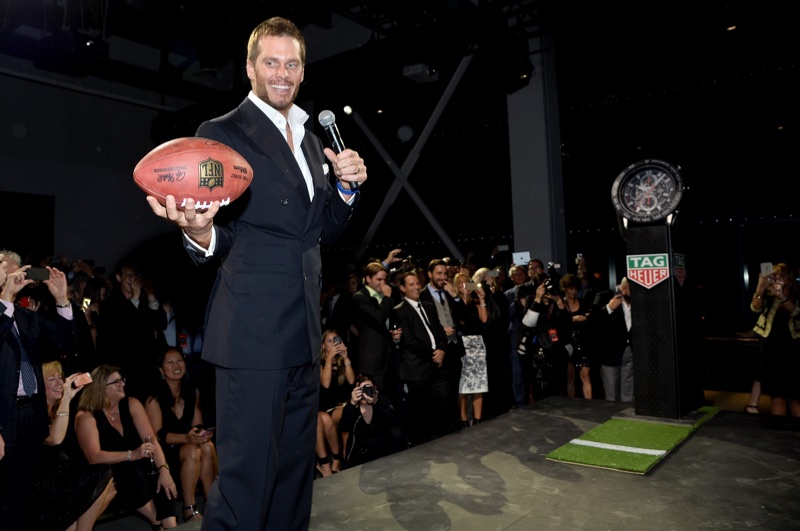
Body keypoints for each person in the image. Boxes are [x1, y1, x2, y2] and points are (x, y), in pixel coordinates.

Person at [144, 16, 366, 530]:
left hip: (303, 336)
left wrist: (347, 190)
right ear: (250, 68)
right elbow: (223, 234)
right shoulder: (220, 135)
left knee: (293, 478)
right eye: (271, 62)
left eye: (292, 63)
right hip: (253, 335)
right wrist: (199, 233)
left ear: (303, 71)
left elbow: (317, 232)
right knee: (247, 483)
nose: (282, 73)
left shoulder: (312, 140)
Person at [1, 257, 77, 529]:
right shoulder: (7, 311)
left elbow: (63, 344)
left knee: (24, 496)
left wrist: (61, 300)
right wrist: (6, 301)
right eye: (9, 272)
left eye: (20, 272)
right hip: (2, 418)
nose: (17, 278)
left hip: (30, 414)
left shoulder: (25, 316)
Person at [75, 364, 179, 529]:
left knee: (158, 474)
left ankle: (170, 525)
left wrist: (164, 470)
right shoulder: (86, 416)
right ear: (101, 387)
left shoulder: (131, 403)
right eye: (116, 382)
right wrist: (131, 454)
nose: (122, 384)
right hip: (108, 472)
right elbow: (94, 457)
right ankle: (160, 523)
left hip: (140, 464)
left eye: (122, 380)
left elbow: (151, 438)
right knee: (129, 472)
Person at [30, 361, 116, 531]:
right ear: (40, 385)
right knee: (101, 475)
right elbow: (54, 439)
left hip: (60, 480)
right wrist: (67, 398)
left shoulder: (57, 410)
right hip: (42, 489)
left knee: (111, 484)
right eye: (51, 379)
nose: (59, 383)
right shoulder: (33, 411)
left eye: (60, 378)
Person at [145, 348, 218, 522]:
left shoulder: (193, 392)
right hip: (164, 454)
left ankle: (211, 502)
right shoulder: (153, 399)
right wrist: (187, 438)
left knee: (207, 446)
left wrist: (202, 435)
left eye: (179, 360)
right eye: (169, 362)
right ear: (161, 370)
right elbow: (158, 435)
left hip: (191, 447)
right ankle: (189, 507)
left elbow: (197, 425)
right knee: (193, 450)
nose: (176, 365)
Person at [390, 271, 449, 446]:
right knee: (419, 411)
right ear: (402, 288)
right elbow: (409, 340)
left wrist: (442, 350)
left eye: (417, 283)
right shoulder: (399, 311)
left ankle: (443, 441)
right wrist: (433, 354)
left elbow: (440, 331)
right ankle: (420, 446)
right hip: (416, 368)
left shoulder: (429, 306)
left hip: (436, 365)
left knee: (440, 406)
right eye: (411, 284)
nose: (416, 287)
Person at [750, 263, 799, 416]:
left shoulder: (796, 294)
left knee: (796, 396)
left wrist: (782, 297)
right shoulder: (768, 294)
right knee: (776, 396)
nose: (777, 278)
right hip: (771, 346)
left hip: (793, 346)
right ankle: (780, 434)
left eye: (781, 275)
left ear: (789, 279)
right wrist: (760, 287)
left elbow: (797, 312)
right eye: (775, 275)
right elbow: (755, 308)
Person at [339, 374, 404, 469]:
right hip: (359, 459)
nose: (366, 393)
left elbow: (394, 423)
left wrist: (376, 402)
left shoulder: (382, 402)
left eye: (369, 388)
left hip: (383, 457)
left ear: (375, 388)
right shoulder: (353, 408)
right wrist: (352, 403)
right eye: (362, 390)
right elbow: (343, 427)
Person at [453, 272, 491, 426]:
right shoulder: (454, 303)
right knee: (463, 384)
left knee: (479, 383)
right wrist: (461, 298)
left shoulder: (475, 302)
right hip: (463, 344)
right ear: (456, 286)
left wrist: (481, 299)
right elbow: (459, 320)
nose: (464, 285)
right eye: (460, 282)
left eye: (466, 282)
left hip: (478, 344)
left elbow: (484, 320)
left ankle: (477, 419)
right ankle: (463, 419)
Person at [350, 262, 395, 390]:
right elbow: (378, 319)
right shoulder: (360, 298)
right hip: (372, 360)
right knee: (374, 398)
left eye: (385, 279)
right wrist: (386, 298)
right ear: (368, 279)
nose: (383, 283)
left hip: (389, 356)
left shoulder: (386, 296)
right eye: (379, 279)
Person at [317, 330, 355, 476]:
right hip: (328, 408)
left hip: (345, 405)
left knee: (347, 410)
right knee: (326, 418)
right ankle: (335, 460)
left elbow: (352, 381)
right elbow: (325, 385)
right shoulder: (320, 364)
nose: (333, 343)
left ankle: (337, 461)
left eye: (336, 340)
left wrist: (345, 358)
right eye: (329, 341)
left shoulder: (342, 362)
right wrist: (328, 359)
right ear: (323, 346)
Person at [592, 278, 633, 403]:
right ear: (623, 288)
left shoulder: (639, 300)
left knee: (629, 390)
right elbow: (593, 320)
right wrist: (608, 308)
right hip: (610, 352)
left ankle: (627, 414)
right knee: (611, 392)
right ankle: (611, 415)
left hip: (631, 350)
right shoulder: (604, 296)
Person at [561, 273, 593, 399]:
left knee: (585, 375)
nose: (573, 291)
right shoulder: (561, 305)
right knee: (571, 376)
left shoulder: (584, 303)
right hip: (568, 343)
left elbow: (590, 318)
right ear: (565, 288)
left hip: (584, 341)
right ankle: (572, 405)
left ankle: (590, 404)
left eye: (575, 288)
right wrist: (573, 319)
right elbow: (559, 323)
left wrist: (585, 319)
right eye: (570, 288)